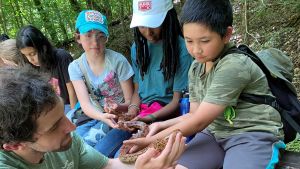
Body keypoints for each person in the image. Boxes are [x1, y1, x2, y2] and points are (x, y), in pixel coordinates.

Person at [125, 0, 286, 169]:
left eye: (204, 41)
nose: (196, 50)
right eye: (189, 41)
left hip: (251, 134)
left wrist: (151, 141)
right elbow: (194, 114)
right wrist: (159, 125)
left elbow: (199, 121)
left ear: (226, 34)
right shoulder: (196, 67)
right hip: (214, 134)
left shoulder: (234, 65)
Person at [0, 67, 186, 169]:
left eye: (63, 116)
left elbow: (107, 166)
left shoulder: (68, 141)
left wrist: (149, 162)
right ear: (15, 145)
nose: (71, 127)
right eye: (54, 126)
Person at [68, 10, 134, 157]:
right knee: (73, 147)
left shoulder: (118, 61)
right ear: (78, 37)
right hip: (95, 115)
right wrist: (102, 116)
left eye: (100, 36)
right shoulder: (75, 67)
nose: (95, 42)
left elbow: (130, 101)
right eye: (88, 35)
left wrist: (118, 108)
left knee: (97, 153)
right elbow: (85, 104)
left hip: (121, 117)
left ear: (106, 38)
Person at [127, 0, 193, 124]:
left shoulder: (181, 49)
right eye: (142, 26)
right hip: (142, 113)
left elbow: (177, 101)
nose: (148, 32)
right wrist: (132, 110)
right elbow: (137, 90)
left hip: (166, 116)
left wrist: (151, 118)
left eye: (153, 25)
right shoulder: (138, 49)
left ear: (168, 19)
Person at [16, 25, 77, 113]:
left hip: (70, 105)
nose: (30, 59)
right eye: (25, 55)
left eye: (32, 54)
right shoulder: (31, 67)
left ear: (43, 48)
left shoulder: (62, 57)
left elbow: (73, 91)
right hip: (53, 108)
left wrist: (73, 114)